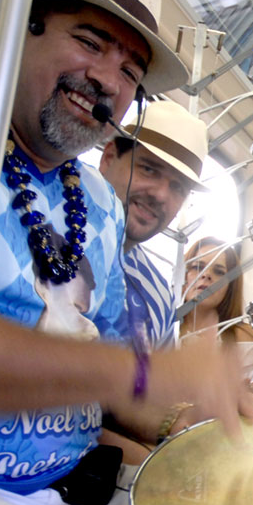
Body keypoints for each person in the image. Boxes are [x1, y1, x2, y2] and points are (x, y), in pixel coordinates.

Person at [0, 0, 253, 505]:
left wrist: (186, 415)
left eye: (129, 71)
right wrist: (148, 374)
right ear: (16, 30)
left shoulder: (98, 203)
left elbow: (119, 379)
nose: (107, 79)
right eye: (88, 42)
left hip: (74, 482)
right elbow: (123, 370)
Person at [95, 99, 209, 350]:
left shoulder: (158, 299)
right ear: (109, 158)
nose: (160, 195)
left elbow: (154, 388)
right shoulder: (42, 227)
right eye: (148, 169)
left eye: (177, 187)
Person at [180, 237, 253, 380]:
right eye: (197, 267)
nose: (206, 275)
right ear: (182, 275)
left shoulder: (245, 341)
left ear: (231, 285)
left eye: (219, 272)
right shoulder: (159, 328)